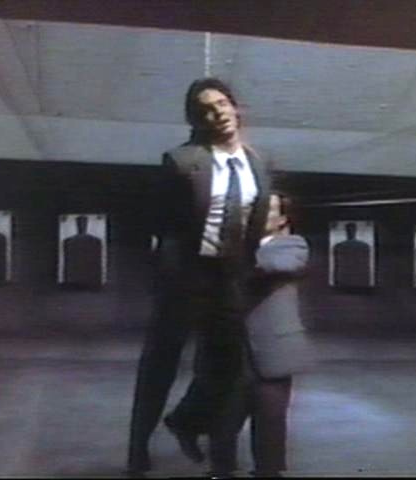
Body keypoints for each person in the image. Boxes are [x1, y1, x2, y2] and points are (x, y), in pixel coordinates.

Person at [127, 77, 274, 474]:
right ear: (197, 120)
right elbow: (160, 226)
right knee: (160, 366)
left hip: (230, 278)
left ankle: (196, 432)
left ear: (235, 107)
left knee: (229, 371)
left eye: (222, 104)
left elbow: (256, 224)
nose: (217, 114)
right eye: (206, 110)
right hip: (185, 278)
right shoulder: (181, 161)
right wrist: (168, 278)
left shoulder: (258, 164)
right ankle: (137, 449)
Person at [206, 193, 313, 477]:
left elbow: (280, 265)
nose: (260, 213)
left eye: (270, 210)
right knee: (222, 424)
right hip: (232, 351)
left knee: (270, 426)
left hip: (273, 351)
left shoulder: (292, 244)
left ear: (283, 220)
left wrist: (235, 255)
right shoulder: (234, 247)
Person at [62, 215, 103, 288]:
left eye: (83, 223)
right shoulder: (96, 241)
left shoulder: (68, 241)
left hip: (74, 279)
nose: (82, 225)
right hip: (87, 280)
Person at [333, 222, 371, 287]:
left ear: (346, 231)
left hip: (344, 280)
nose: (350, 232)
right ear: (355, 231)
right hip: (359, 281)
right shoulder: (365, 246)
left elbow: (336, 267)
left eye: (350, 230)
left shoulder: (338, 246)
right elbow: (366, 266)